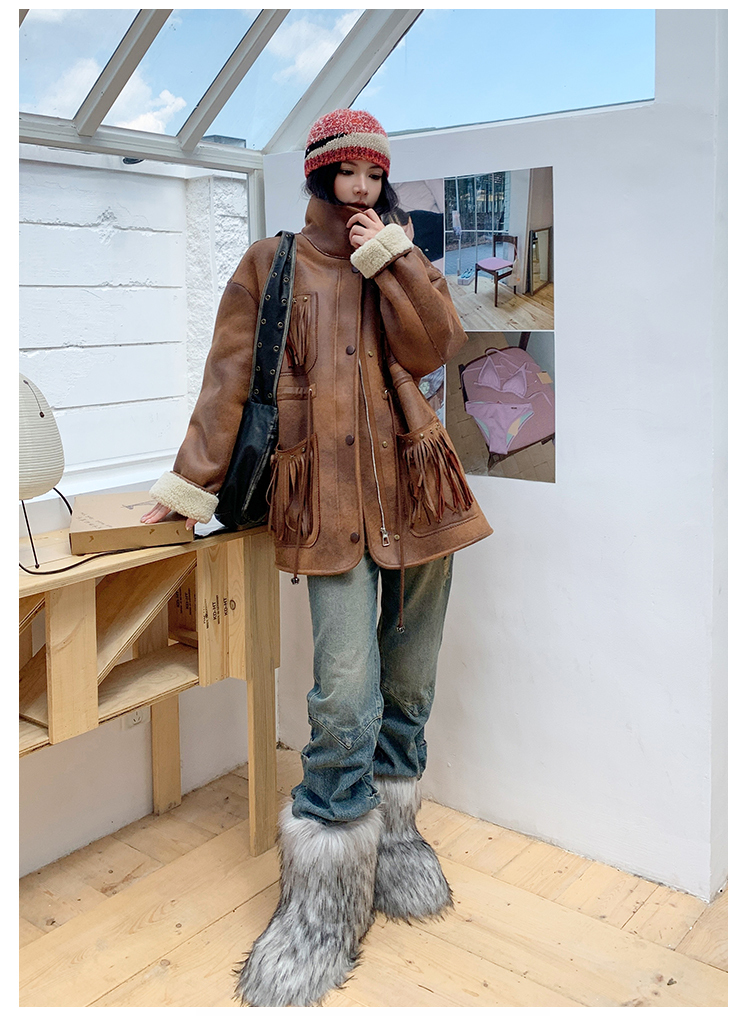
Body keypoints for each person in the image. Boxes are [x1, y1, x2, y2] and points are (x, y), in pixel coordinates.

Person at [142, 109, 492, 1007]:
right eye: (348, 173)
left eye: (375, 174)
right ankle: (322, 903)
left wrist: (392, 260)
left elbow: (435, 347)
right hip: (326, 506)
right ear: (319, 175)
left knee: (410, 678)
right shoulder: (271, 263)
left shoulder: (398, 254)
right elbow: (227, 381)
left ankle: (396, 846)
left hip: (420, 496)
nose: (362, 188)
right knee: (344, 693)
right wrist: (189, 486)